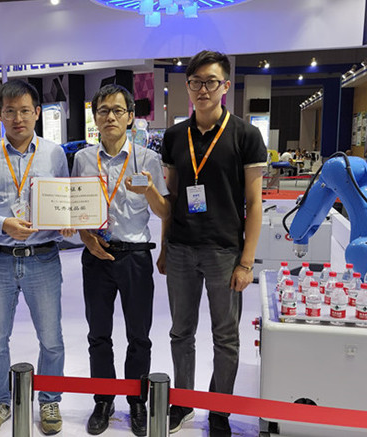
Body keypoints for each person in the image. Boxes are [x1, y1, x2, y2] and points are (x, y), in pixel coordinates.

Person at [157, 50, 267, 436]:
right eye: (195, 82)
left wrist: (247, 262)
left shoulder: (246, 135)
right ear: (187, 86)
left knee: (226, 337)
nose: (202, 89)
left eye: (211, 82)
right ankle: (183, 402)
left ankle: (219, 409)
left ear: (225, 86)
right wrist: (164, 246)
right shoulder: (174, 136)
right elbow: (171, 199)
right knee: (180, 332)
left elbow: (254, 204)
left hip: (225, 251)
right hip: (181, 248)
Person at [0, 79, 74, 437]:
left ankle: (50, 400)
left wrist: (67, 223)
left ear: (37, 112)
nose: (18, 118)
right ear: (0, 114)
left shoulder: (54, 154)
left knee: (51, 339)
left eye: (25, 110)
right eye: (10, 111)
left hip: (43, 258)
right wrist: (1, 223)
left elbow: (65, 199)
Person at [72, 84, 170, 437]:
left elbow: (164, 211)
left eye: (117, 110)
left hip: (135, 257)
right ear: (95, 118)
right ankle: (103, 400)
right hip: (96, 255)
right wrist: (85, 236)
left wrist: (150, 190)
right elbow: (75, 207)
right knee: (98, 334)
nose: (110, 117)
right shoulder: (83, 159)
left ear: (130, 117)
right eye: (103, 111)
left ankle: (137, 401)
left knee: (138, 336)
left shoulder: (148, 159)